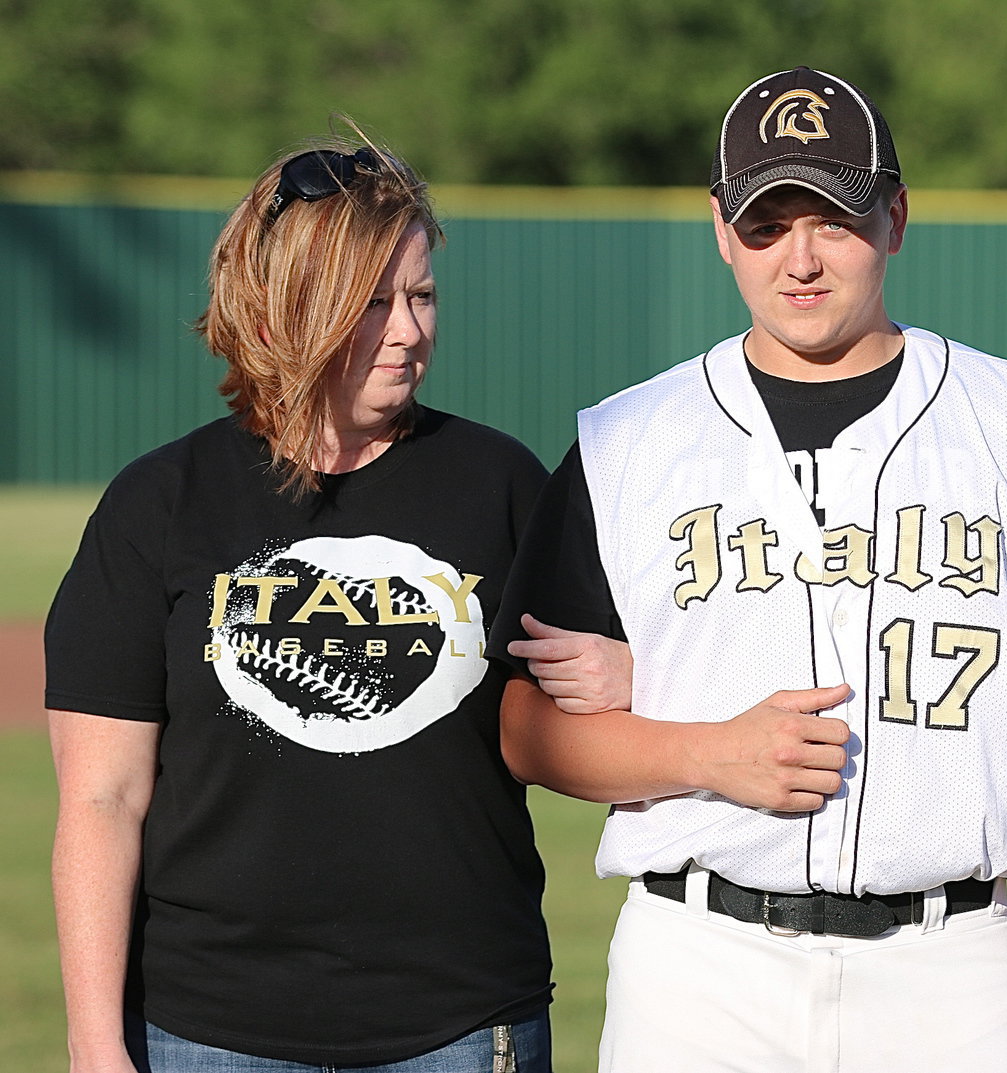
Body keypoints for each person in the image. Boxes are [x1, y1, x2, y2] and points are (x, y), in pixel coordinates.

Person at [489, 66, 1007, 1073]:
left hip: (953, 971)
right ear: (721, 229)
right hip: (697, 969)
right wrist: (704, 748)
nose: (799, 258)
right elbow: (525, 731)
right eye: (766, 222)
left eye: (834, 217)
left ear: (895, 215)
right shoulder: (629, 441)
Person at [45, 136, 628, 1072]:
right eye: (370, 304)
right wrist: (93, 1041)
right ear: (279, 311)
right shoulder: (160, 503)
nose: (408, 330)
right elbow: (102, 798)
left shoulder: (501, 482)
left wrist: (628, 672)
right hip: (205, 1031)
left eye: (422, 295)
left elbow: (611, 706)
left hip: (461, 1023)